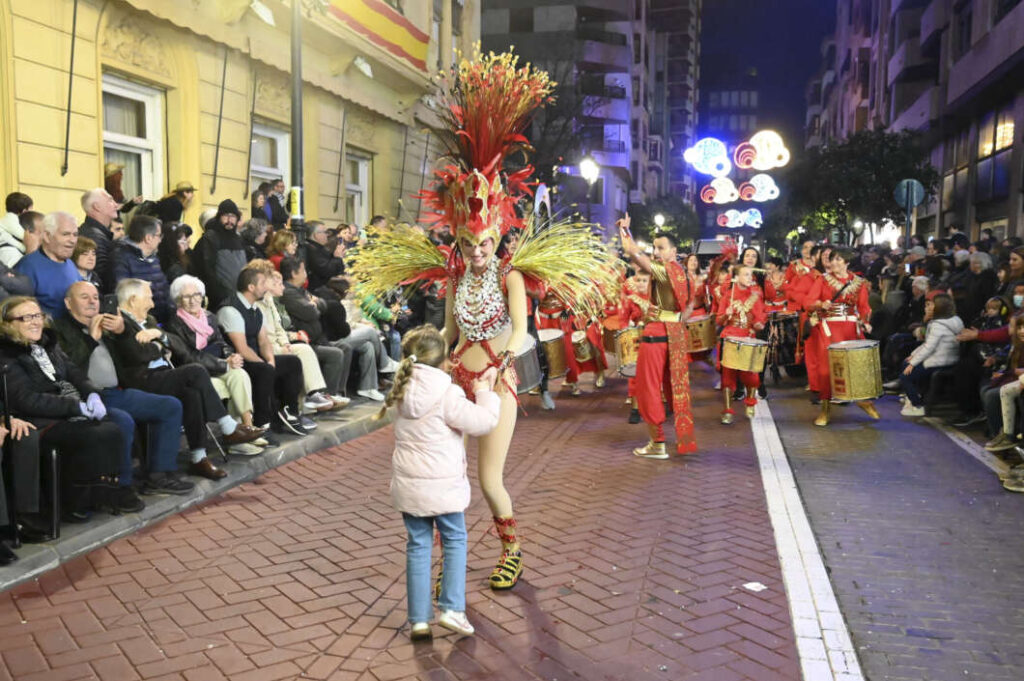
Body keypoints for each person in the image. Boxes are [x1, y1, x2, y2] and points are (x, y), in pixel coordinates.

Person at [380, 325, 500, 640]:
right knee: (455, 540)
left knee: (418, 545)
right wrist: (486, 391)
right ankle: (451, 609)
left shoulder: (400, 390)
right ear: (442, 360)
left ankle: (419, 619)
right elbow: (483, 422)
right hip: (443, 486)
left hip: (410, 485)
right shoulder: (447, 393)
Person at [104, 279, 263, 479]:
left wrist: (159, 336)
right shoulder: (121, 324)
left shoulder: (150, 321)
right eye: (149, 298)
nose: (153, 303)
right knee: (195, 371)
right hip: (142, 380)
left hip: (162, 374)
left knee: (192, 394)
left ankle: (199, 458)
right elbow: (139, 356)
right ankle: (227, 426)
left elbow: (177, 345)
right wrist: (159, 348)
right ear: (134, 300)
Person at [53, 281, 195, 495]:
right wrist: (90, 338)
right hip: (88, 398)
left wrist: (121, 331)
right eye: (84, 297)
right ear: (68, 302)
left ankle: (159, 475)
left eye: (95, 297)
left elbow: (134, 356)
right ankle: (122, 488)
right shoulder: (59, 330)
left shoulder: (106, 323)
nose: (92, 302)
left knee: (170, 405)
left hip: (116, 392)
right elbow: (69, 369)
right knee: (123, 420)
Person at [0, 296, 134, 521]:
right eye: (26, 318)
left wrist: (91, 393)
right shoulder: (7, 354)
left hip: (69, 407)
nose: (35, 322)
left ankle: (116, 488)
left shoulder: (48, 343)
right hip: (41, 418)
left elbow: (75, 373)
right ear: (9, 324)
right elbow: (26, 400)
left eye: (38, 316)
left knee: (121, 420)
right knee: (99, 432)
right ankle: (76, 499)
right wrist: (76, 407)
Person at [618, 217, 697, 457]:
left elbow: (630, 251)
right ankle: (678, 439)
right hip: (674, 334)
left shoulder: (664, 271)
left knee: (648, 387)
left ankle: (657, 443)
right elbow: (690, 307)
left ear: (673, 251)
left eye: (660, 247)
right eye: (654, 247)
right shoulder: (685, 275)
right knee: (675, 387)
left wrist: (624, 229)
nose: (655, 251)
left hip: (656, 334)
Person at [164, 276, 268, 453]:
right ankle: (238, 436)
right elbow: (189, 357)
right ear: (178, 301)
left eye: (196, 295)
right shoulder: (175, 324)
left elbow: (222, 343)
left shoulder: (210, 317)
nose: (193, 300)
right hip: (195, 374)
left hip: (216, 365)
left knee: (239, 373)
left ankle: (245, 428)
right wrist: (223, 363)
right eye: (186, 297)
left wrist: (231, 357)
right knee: (232, 373)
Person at [246, 261, 346, 417]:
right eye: (269, 279)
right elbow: (262, 336)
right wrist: (283, 345)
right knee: (303, 353)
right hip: (266, 349)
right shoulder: (255, 303)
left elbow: (278, 327)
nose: (273, 283)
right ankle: (301, 406)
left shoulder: (268, 299)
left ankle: (313, 395)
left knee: (308, 350)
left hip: (281, 343)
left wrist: (285, 342)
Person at [218, 267, 309, 435]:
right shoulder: (230, 310)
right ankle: (262, 423)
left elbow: (264, 340)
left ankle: (290, 412)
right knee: (264, 370)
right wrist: (265, 364)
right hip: (237, 361)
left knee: (292, 362)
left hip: (256, 358)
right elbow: (242, 348)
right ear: (251, 287)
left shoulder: (256, 309)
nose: (266, 287)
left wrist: (271, 361)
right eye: (262, 283)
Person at [804, 248, 878, 426]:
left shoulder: (858, 282)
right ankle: (825, 409)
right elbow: (807, 303)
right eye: (832, 259)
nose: (834, 263)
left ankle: (863, 400)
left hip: (851, 328)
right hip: (829, 328)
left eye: (838, 260)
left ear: (847, 262)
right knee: (825, 370)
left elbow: (864, 307)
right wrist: (821, 304)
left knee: (855, 367)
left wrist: (865, 321)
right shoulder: (822, 280)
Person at [716, 265, 767, 423]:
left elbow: (760, 319)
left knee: (750, 374)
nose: (749, 278)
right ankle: (727, 410)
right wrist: (726, 314)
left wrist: (759, 324)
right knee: (728, 376)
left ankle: (750, 402)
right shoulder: (728, 296)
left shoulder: (755, 296)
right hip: (731, 336)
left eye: (750, 275)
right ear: (736, 277)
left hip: (747, 336)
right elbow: (719, 320)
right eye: (745, 275)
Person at [897, 293, 963, 417]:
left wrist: (914, 362)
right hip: (946, 358)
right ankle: (912, 395)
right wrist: (913, 355)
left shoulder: (939, 325)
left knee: (905, 376)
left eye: (930, 305)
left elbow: (929, 348)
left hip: (940, 361)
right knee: (905, 362)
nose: (926, 308)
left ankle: (918, 405)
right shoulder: (954, 320)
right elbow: (928, 344)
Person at [14, 211, 82, 318]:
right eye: (65, 234)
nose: (72, 240)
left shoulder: (70, 264)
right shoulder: (28, 267)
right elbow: (17, 310)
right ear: (47, 236)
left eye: (75, 235)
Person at [112, 214, 173, 323]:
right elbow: (124, 295)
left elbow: (163, 288)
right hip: (139, 322)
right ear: (148, 238)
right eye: (159, 236)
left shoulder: (153, 257)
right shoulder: (121, 258)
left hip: (160, 320)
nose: (160, 240)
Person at [192, 199, 247, 308]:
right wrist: (219, 295)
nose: (229, 220)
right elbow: (207, 269)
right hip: (220, 299)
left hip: (241, 297)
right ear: (219, 217)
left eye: (233, 216)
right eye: (225, 216)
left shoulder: (238, 239)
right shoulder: (211, 237)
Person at [78, 188, 121, 293]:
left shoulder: (94, 232)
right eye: (110, 200)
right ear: (96, 207)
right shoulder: (94, 236)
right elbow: (103, 276)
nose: (116, 205)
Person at [306, 220, 346, 290]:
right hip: (317, 288)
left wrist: (337, 257)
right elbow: (326, 270)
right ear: (316, 235)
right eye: (325, 232)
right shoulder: (311, 249)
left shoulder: (318, 247)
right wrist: (337, 258)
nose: (327, 235)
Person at [0, 192, 33, 268]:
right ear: (25, 211)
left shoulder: (10, 220)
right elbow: (26, 238)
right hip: (8, 257)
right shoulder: (10, 219)